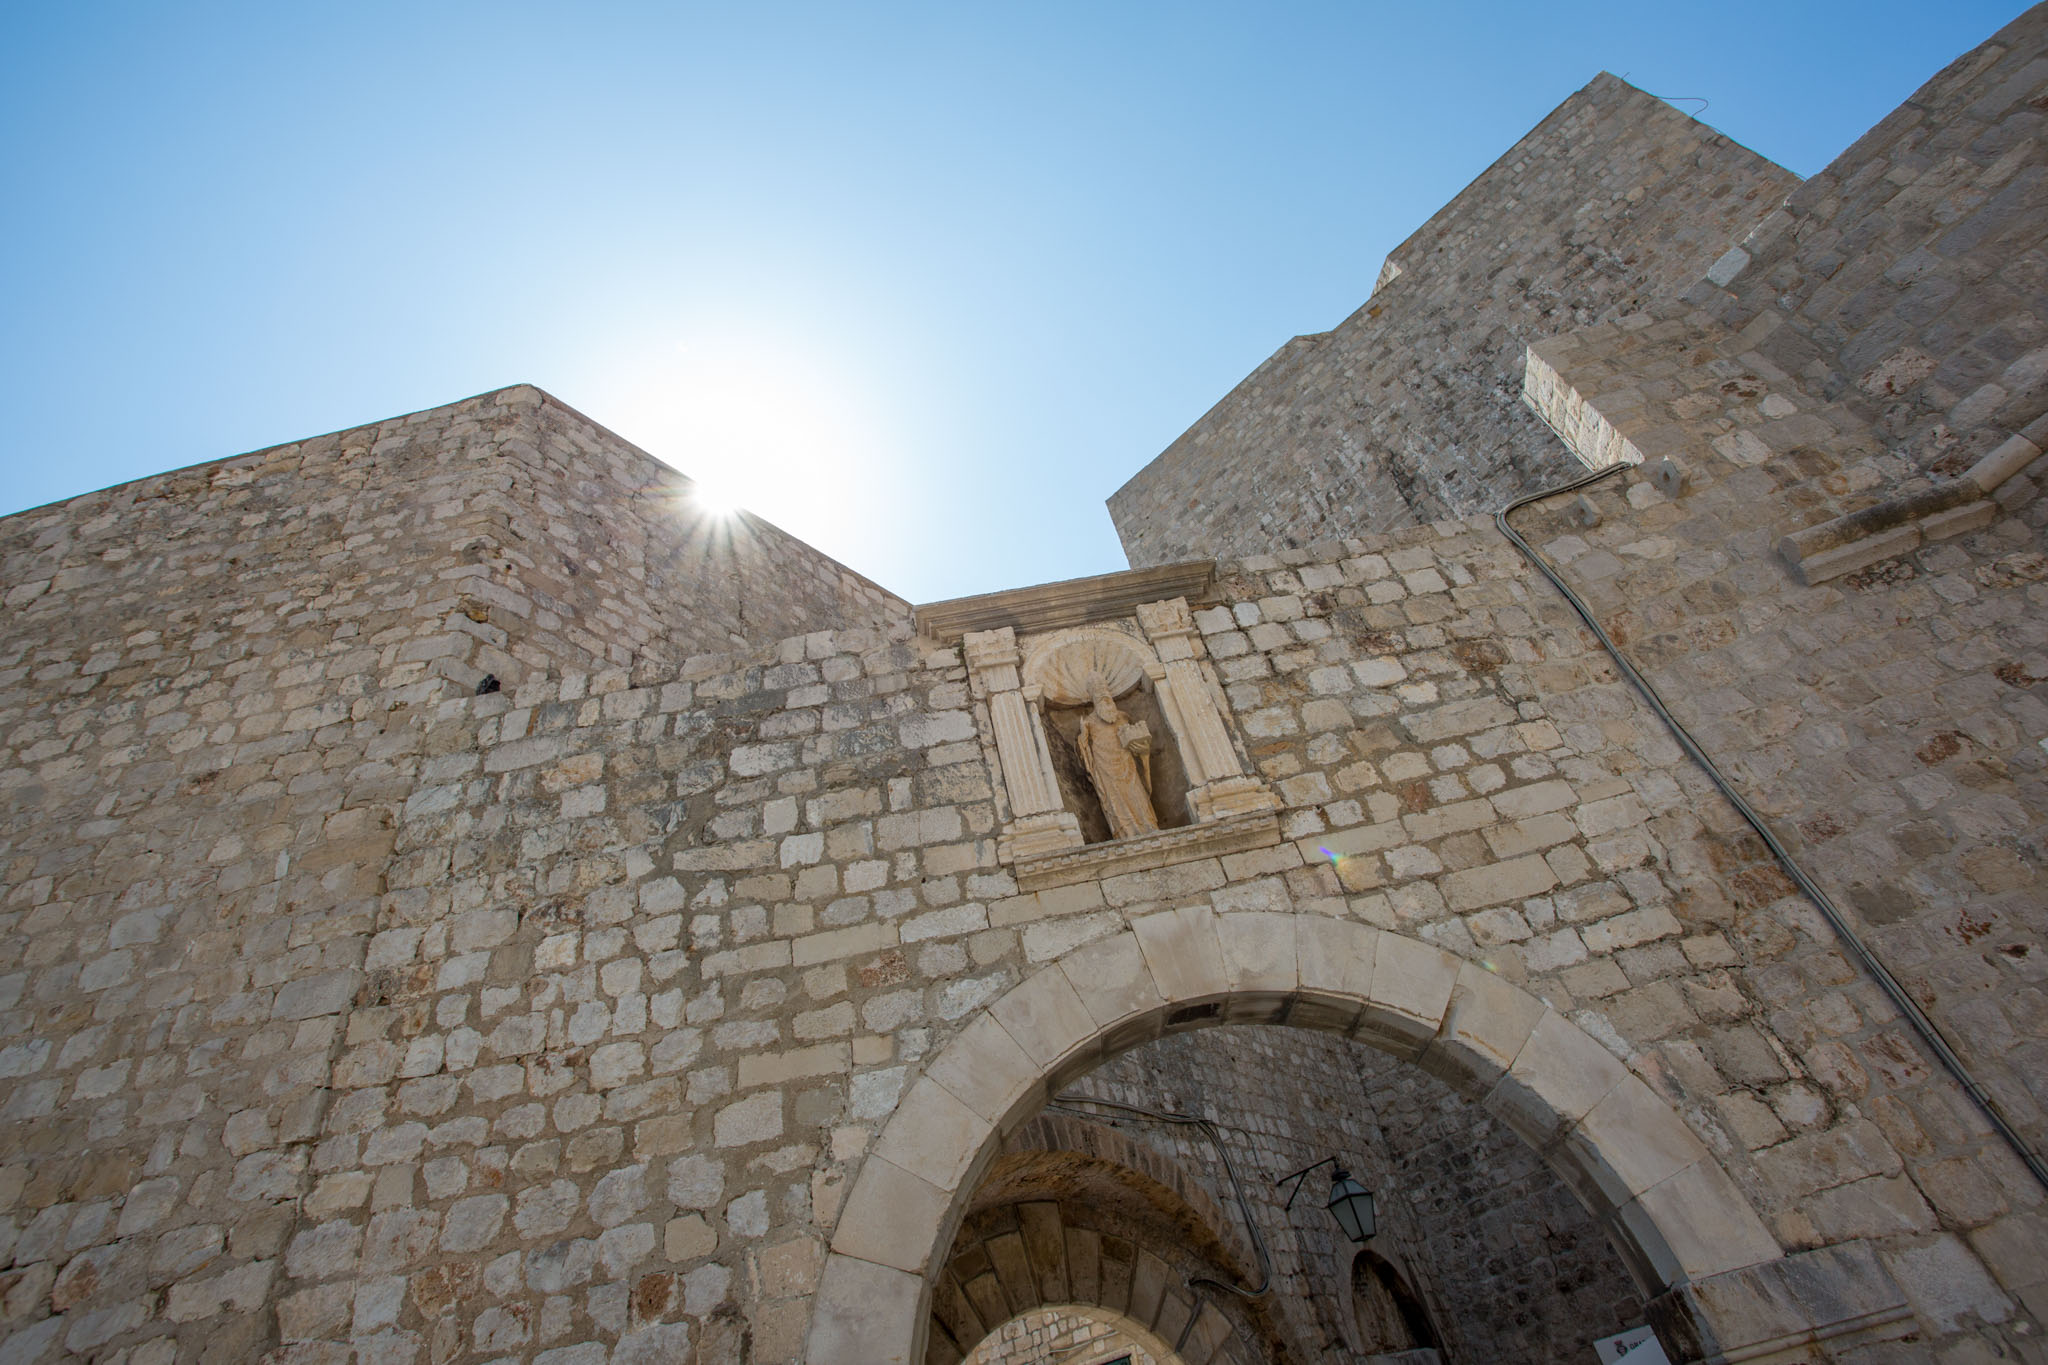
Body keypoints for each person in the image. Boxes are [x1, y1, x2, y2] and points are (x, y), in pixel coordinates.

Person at [1077, 687, 1159, 840]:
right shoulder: (1089, 723)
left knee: (1137, 793)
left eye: (1107, 697)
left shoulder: (1123, 717)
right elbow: (1085, 753)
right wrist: (1082, 739)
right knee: (1115, 800)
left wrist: (1142, 751)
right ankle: (1125, 833)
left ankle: (1149, 825)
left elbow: (1136, 740)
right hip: (1105, 769)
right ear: (1094, 701)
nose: (1106, 700)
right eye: (1101, 698)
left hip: (1128, 764)